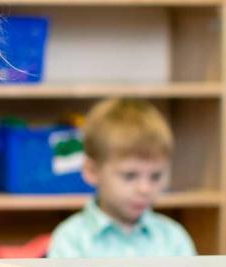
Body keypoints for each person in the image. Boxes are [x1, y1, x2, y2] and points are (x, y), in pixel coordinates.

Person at [47, 97, 196, 258]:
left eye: (155, 176)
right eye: (130, 176)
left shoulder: (173, 238)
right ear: (92, 171)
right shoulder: (71, 239)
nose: (144, 189)